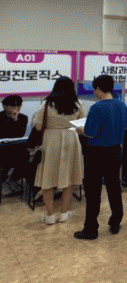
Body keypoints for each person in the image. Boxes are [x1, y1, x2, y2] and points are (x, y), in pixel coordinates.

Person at [74, 74, 127, 240]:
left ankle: (91, 229)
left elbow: (90, 132)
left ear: (98, 89)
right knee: (114, 187)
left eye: (94, 89)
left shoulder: (96, 108)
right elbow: (125, 125)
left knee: (93, 191)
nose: (94, 92)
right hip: (115, 151)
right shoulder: (122, 105)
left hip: (96, 154)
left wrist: (80, 130)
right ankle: (115, 221)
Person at [31, 78, 85, 224]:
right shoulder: (77, 104)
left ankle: (49, 215)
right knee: (69, 177)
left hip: (51, 140)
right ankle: (64, 213)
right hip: (71, 139)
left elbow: (38, 126)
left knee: (47, 177)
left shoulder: (47, 104)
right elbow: (82, 125)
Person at [1, 95, 29, 187]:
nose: (16, 108)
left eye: (19, 106)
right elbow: (3, 134)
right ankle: (4, 180)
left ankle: (12, 179)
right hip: (2, 149)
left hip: (15, 149)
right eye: (13, 106)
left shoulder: (23, 118)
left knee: (27, 157)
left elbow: (20, 134)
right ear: (4, 106)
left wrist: (15, 120)